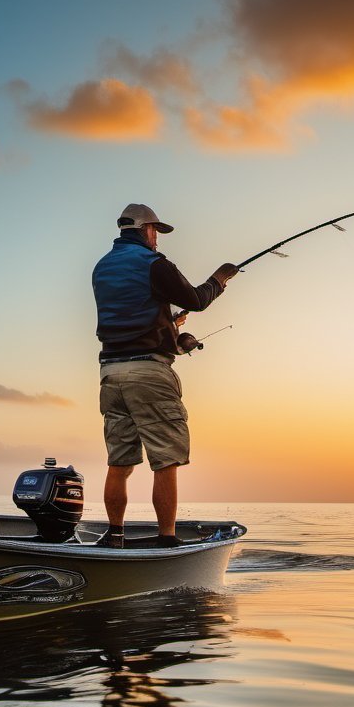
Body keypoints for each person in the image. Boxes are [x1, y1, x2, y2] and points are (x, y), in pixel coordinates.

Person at [92, 203, 238, 547]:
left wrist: (171, 329)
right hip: (149, 374)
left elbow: (131, 315)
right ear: (145, 230)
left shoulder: (101, 268)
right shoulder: (153, 263)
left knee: (119, 460)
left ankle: (114, 535)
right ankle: (166, 538)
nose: (157, 239)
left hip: (110, 373)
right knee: (166, 459)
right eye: (155, 231)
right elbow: (196, 299)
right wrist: (220, 279)